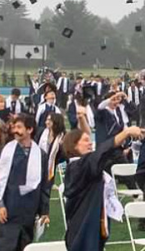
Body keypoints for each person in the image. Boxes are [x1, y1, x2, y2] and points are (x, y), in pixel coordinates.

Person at [61, 104, 145, 251]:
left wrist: (82, 119)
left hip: (91, 226)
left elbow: (91, 142)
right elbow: (103, 150)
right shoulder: (78, 167)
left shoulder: (82, 164)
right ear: (74, 146)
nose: (90, 143)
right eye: (85, 141)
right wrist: (126, 132)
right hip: (82, 229)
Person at [0, 115, 53, 251]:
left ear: (30, 129)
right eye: (14, 127)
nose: (15, 130)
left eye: (19, 127)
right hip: (7, 211)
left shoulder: (41, 155)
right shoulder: (6, 152)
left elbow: (44, 185)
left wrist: (44, 211)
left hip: (27, 213)